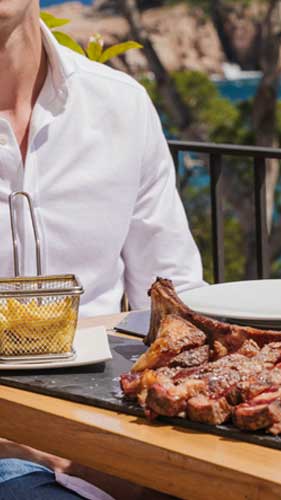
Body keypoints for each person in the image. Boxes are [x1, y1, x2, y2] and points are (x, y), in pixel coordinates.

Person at [1, 0, 203, 496]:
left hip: (117, 436)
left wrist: (138, 460)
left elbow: (179, 306)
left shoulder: (120, 105)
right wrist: (36, 448)